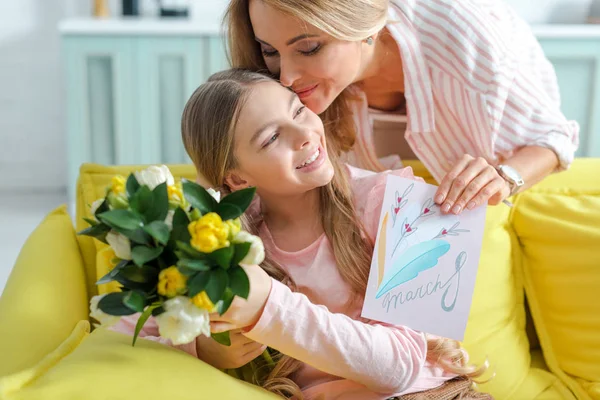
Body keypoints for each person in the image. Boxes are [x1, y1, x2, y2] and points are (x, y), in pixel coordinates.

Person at [112, 69, 492, 400]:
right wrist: (201, 348)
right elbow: (120, 333)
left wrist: (268, 307)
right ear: (237, 178)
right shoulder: (218, 243)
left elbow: (401, 369)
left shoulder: (396, 202)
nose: (306, 134)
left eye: (297, 110)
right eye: (271, 138)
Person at [224, 0, 579, 215]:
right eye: (270, 52)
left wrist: (504, 176)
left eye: (309, 48)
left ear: (365, 28)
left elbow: (554, 136)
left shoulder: (468, 40)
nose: (286, 77)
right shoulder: (293, 94)